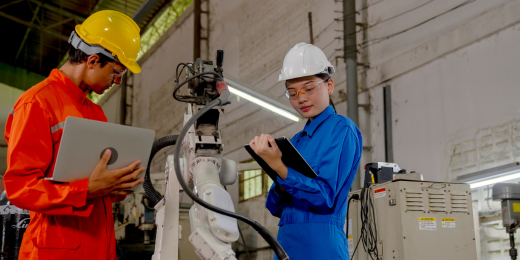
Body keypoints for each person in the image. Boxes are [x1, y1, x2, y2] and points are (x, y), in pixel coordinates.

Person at [4, 10, 144, 260]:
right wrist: (87, 190)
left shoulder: (95, 111)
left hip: (100, 249)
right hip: (55, 252)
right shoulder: (37, 103)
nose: (118, 81)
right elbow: (21, 188)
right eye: (116, 71)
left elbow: (93, 184)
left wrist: (116, 184)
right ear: (92, 61)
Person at [249, 42, 363, 260]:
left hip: (321, 244)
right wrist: (277, 172)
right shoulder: (295, 142)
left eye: (309, 89)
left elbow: (324, 197)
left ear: (329, 86)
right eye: (292, 93)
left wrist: (280, 168)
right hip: (286, 243)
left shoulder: (342, 129)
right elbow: (273, 206)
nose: (300, 98)